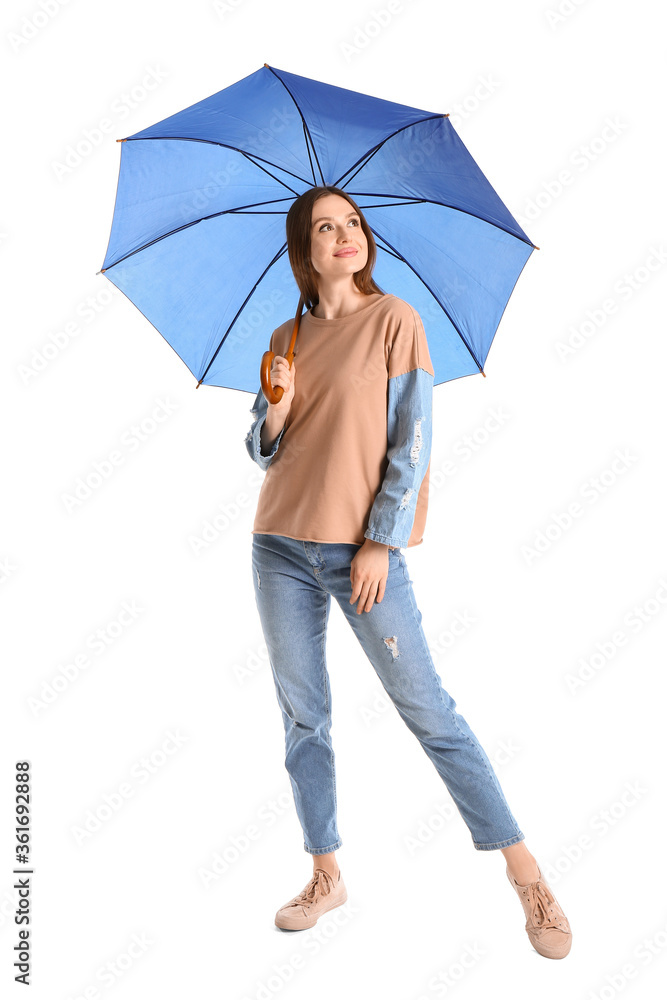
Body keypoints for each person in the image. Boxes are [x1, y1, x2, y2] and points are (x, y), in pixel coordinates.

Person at [245, 185, 572, 959]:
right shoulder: (283, 335)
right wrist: (277, 406)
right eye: (324, 228)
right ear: (305, 247)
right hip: (278, 544)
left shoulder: (395, 322)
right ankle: (325, 872)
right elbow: (262, 451)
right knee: (303, 717)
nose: (342, 236)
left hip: (360, 551)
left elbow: (412, 442)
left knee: (427, 710)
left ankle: (524, 872)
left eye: (351, 223)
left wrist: (380, 543)